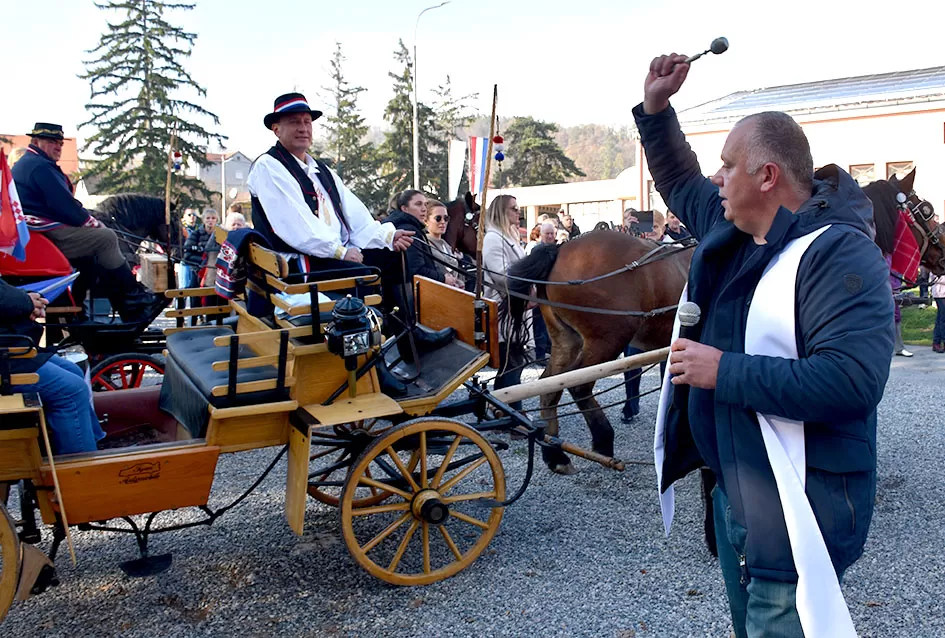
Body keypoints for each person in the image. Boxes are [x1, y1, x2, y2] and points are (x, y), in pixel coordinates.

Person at [639, 53, 893, 637]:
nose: (717, 178)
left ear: (768, 176)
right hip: (737, 493)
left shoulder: (839, 253)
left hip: (799, 506)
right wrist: (656, 111)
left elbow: (851, 381)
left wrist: (721, 371)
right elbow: (681, 183)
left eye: (728, 166)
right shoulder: (739, 227)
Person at [11, 123, 162, 323]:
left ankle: (84, 308)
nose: (57, 146)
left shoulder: (32, 163)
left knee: (91, 255)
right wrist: (89, 221)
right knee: (106, 237)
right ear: (36, 142)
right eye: (51, 142)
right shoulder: (38, 166)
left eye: (59, 143)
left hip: (37, 229)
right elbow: (63, 204)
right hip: (42, 230)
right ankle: (134, 302)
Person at [1, 277, 104, 454]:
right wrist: (27, 301)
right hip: (5, 354)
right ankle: (81, 467)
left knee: (73, 371)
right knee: (72, 390)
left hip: (9, 346)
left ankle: (94, 443)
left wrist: (28, 299)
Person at [483, 195, 531, 408]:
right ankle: (514, 416)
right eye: (513, 208)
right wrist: (528, 292)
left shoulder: (507, 236)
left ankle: (502, 410)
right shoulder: (493, 238)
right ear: (502, 212)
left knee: (512, 365)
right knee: (512, 365)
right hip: (506, 310)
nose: (517, 212)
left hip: (516, 309)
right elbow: (502, 275)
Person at [424, 199, 464, 289]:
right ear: (426, 221)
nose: (443, 222)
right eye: (438, 218)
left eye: (446, 218)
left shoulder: (446, 245)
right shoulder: (425, 244)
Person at [932, 272, 945, 353]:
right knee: (942, 319)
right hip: (940, 293)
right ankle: (938, 342)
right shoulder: (937, 261)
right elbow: (935, 278)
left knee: (940, 317)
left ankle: (936, 342)